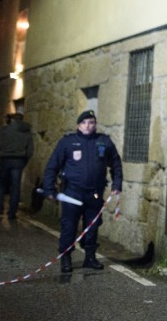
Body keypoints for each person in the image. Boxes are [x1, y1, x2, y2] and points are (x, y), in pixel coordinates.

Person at [42, 110, 123, 273]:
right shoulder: (67, 142)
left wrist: (117, 184)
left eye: (91, 122)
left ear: (95, 124)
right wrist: (49, 188)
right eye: (84, 122)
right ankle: (66, 258)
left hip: (94, 193)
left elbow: (116, 164)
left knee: (92, 227)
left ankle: (90, 257)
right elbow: (52, 166)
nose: (88, 125)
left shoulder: (104, 141)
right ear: (79, 125)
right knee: (69, 226)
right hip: (72, 193)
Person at [0, 112, 34, 219]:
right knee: (15, 187)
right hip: (19, 161)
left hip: (5, 160)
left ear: (13, 120)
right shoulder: (26, 132)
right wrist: (24, 162)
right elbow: (30, 150)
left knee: (0, 185)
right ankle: (12, 213)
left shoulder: (4, 130)